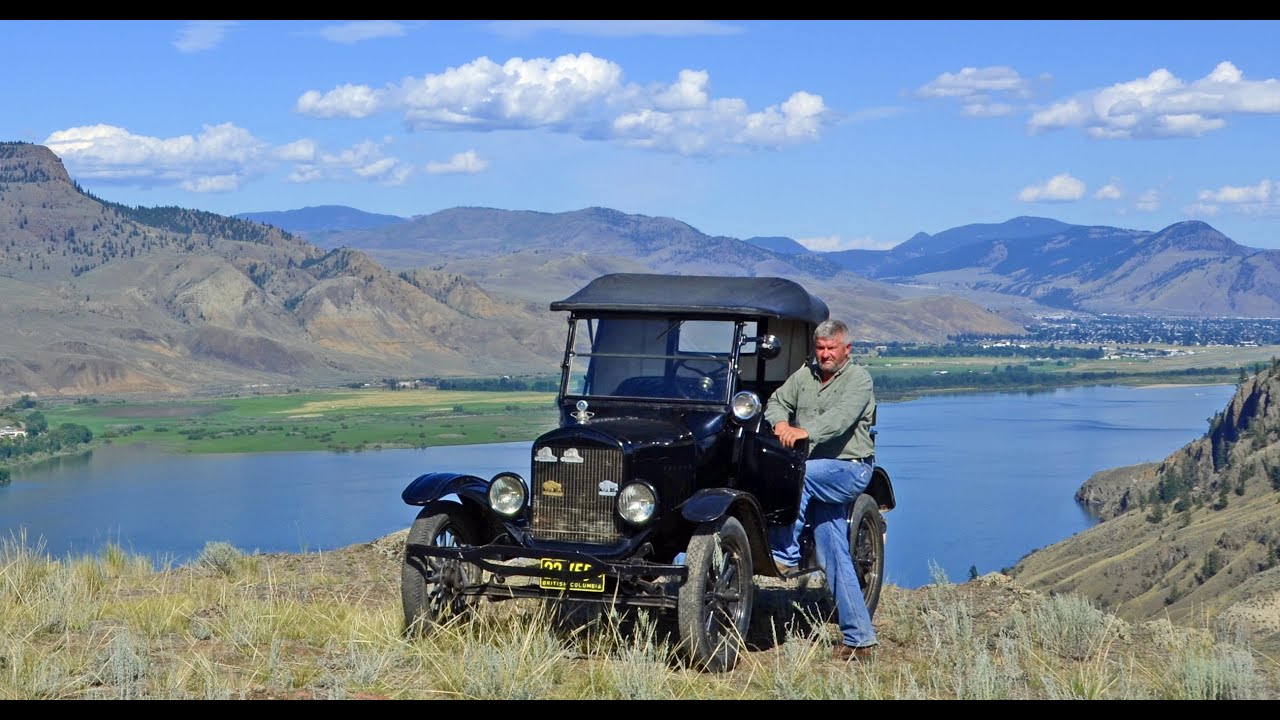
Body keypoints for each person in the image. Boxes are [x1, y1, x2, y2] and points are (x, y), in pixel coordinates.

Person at [764, 318, 879, 661]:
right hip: (817, 476)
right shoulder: (805, 376)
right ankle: (859, 638)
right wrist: (781, 422)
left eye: (832, 348)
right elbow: (775, 402)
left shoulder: (859, 379)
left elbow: (841, 419)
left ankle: (783, 554)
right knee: (833, 550)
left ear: (847, 350)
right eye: (820, 348)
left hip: (849, 469)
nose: (825, 354)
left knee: (801, 474)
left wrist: (804, 432)